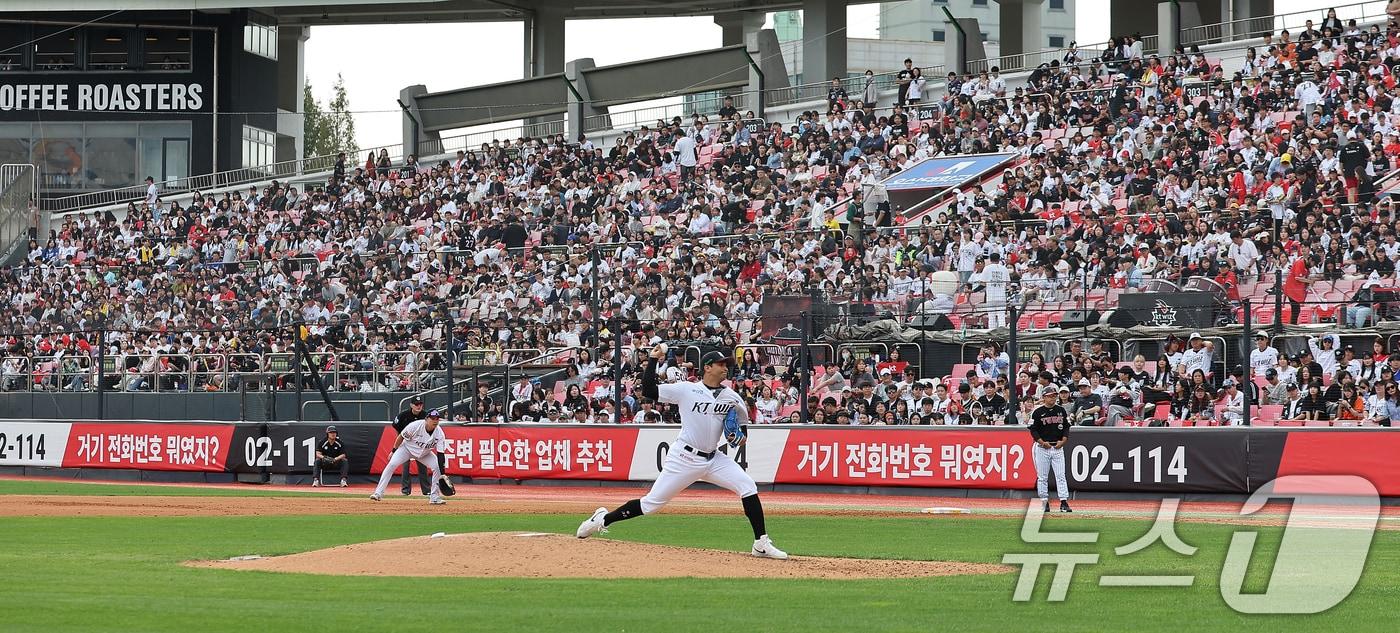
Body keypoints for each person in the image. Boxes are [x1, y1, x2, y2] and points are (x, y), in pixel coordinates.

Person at [576, 347, 788, 559]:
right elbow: (649, 389)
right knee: (650, 505)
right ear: (707, 367)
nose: (725, 368)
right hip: (684, 458)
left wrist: (739, 437)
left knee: (747, 486)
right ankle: (602, 519)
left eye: (726, 365)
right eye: (721, 364)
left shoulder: (732, 397)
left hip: (714, 458)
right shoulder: (687, 389)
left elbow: (742, 428)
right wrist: (652, 359)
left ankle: (760, 543)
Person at [370, 409, 447, 504]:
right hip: (407, 449)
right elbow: (401, 437)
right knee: (392, 464)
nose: (435, 421)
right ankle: (378, 493)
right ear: (426, 419)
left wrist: (443, 474)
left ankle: (434, 497)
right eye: (433, 418)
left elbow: (440, 454)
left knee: (437, 467)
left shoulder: (439, 433)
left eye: (437, 418)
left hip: (424, 454)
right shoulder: (415, 426)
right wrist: (394, 451)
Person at [1028, 388, 1072, 513]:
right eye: (1050, 396)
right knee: (1042, 477)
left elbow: (1066, 427)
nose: (1052, 398)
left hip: (1057, 447)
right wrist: (1041, 442)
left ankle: (1063, 502)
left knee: (1061, 475)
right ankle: (1044, 502)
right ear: (1044, 397)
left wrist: (1063, 441)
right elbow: (1033, 429)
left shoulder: (1061, 410)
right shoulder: (1037, 412)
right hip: (1042, 447)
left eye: (1054, 396)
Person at [393, 396, 432, 495]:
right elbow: (396, 427)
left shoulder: (425, 415)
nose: (419, 406)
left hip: (419, 444)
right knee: (406, 467)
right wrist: (400, 441)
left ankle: (426, 490)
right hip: (406, 444)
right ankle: (405, 490)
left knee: (423, 467)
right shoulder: (403, 415)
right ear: (411, 405)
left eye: (420, 404)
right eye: (416, 404)